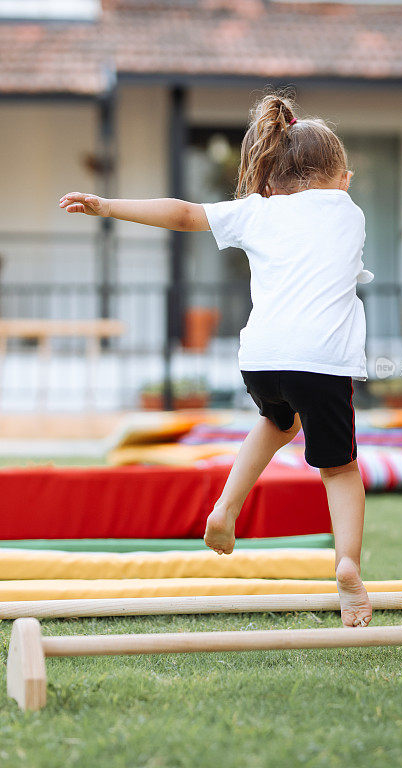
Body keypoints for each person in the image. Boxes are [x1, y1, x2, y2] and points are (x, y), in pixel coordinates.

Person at [58, 92, 374, 627]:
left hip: (262, 359)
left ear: (269, 179)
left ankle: (226, 508)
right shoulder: (350, 211)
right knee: (339, 469)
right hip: (320, 361)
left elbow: (182, 213)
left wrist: (107, 206)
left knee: (277, 419)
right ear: (342, 177)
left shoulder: (257, 211)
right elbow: (330, 197)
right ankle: (348, 566)